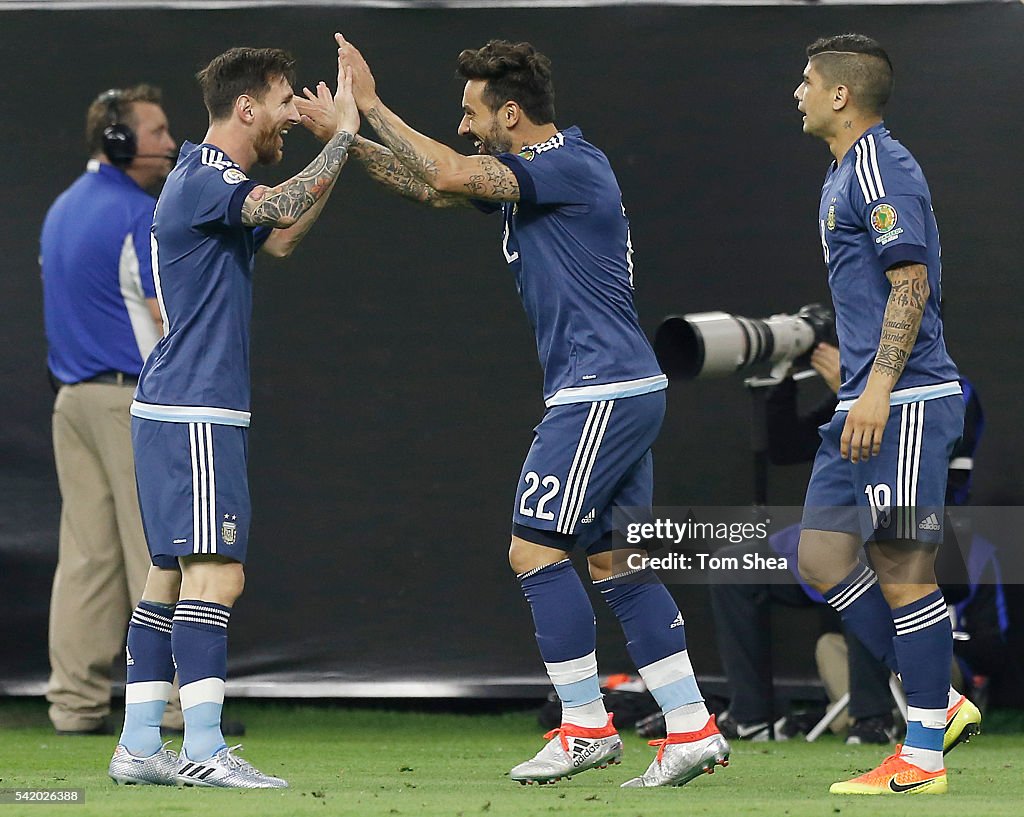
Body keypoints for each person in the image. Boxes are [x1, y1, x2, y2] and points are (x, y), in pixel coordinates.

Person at [300, 35, 729, 789]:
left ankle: (585, 725)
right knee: (613, 562)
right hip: (619, 387)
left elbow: (444, 167)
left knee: (532, 550)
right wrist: (344, 139)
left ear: (509, 112)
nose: (464, 126)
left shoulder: (566, 163)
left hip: (596, 390)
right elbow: (433, 187)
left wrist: (369, 104)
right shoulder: (541, 172)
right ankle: (690, 725)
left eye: (471, 112)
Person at [106, 45, 359, 788]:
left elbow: (281, 235)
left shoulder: (205, 181)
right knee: (218, 575)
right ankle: (204, 747)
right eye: (282, 101)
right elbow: (279, 205)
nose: (290, 114)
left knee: (166, 580)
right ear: (246, 108)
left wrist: (333, 154)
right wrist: (340, 134)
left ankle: (138, 743)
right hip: (195, 411)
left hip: (172, 406)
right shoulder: (211, 177)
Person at [793, 34, 980, 795]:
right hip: (864, 398)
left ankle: (924, 755)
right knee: (822, 557)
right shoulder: (843, 171)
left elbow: (911, 284)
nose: (796, 92)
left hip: (901, 402)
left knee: (904, 569)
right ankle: (944, 695)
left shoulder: (880, 165)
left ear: (841, 95)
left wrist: (876, 389)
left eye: (805, 81)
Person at [40, 85, 184, 736]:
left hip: (72, 403)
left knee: (87, 559)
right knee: (161, 552)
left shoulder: (61, 208)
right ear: (120, 141)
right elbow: (165, 313)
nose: (170, 142)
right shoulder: (137, 214)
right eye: (155, 132)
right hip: (130, 402)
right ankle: (182, 705)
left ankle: (73, 703)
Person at [709, 342, 896, 745]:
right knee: (733, 566)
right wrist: (785, 380)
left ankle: (873, 717)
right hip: (829, 538)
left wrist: (856, 391)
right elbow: (786, 447)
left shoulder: (941, 389)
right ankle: (751, 716)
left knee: (861, 560)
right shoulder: (849, 393)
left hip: (902, 532)